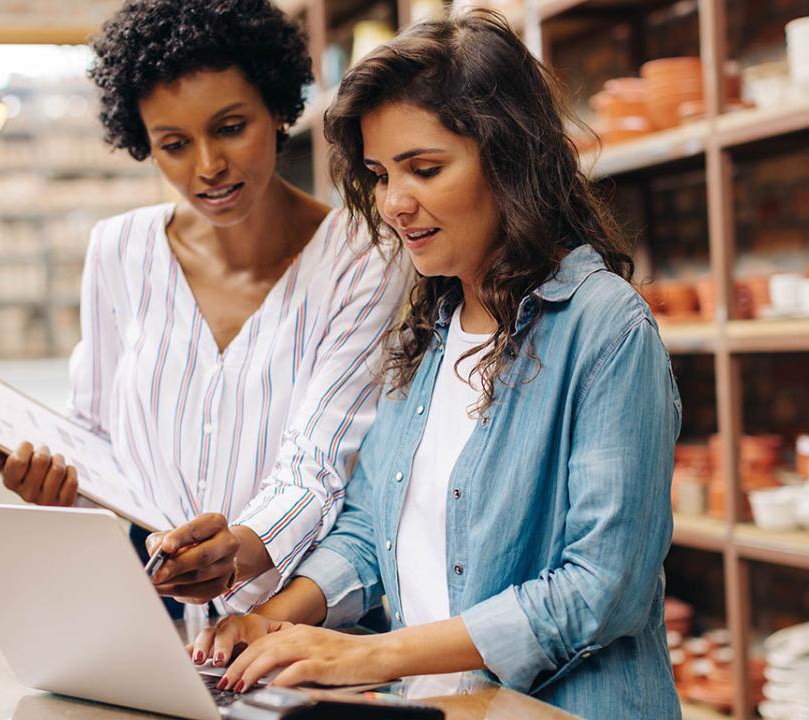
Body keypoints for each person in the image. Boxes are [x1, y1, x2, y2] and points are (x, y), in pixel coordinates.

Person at [190, 9, 682, 718]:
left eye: (424, 169)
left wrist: (372, 653)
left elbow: (600, 588)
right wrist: (281, 618)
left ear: (509, 159)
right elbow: (369, 531)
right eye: (380, 174)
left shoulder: (605, 328)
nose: (394, 203)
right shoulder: (428, 326)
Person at [0, 0, 407, 620]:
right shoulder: (119, 251)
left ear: (277, 108)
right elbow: (97, 440)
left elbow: (323, 461)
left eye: (231, 127)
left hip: (301, 623)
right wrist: (57, 484)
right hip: (147, 616)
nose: (207, 167)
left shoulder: (364, 255)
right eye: (174, 144)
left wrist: (239, 549)